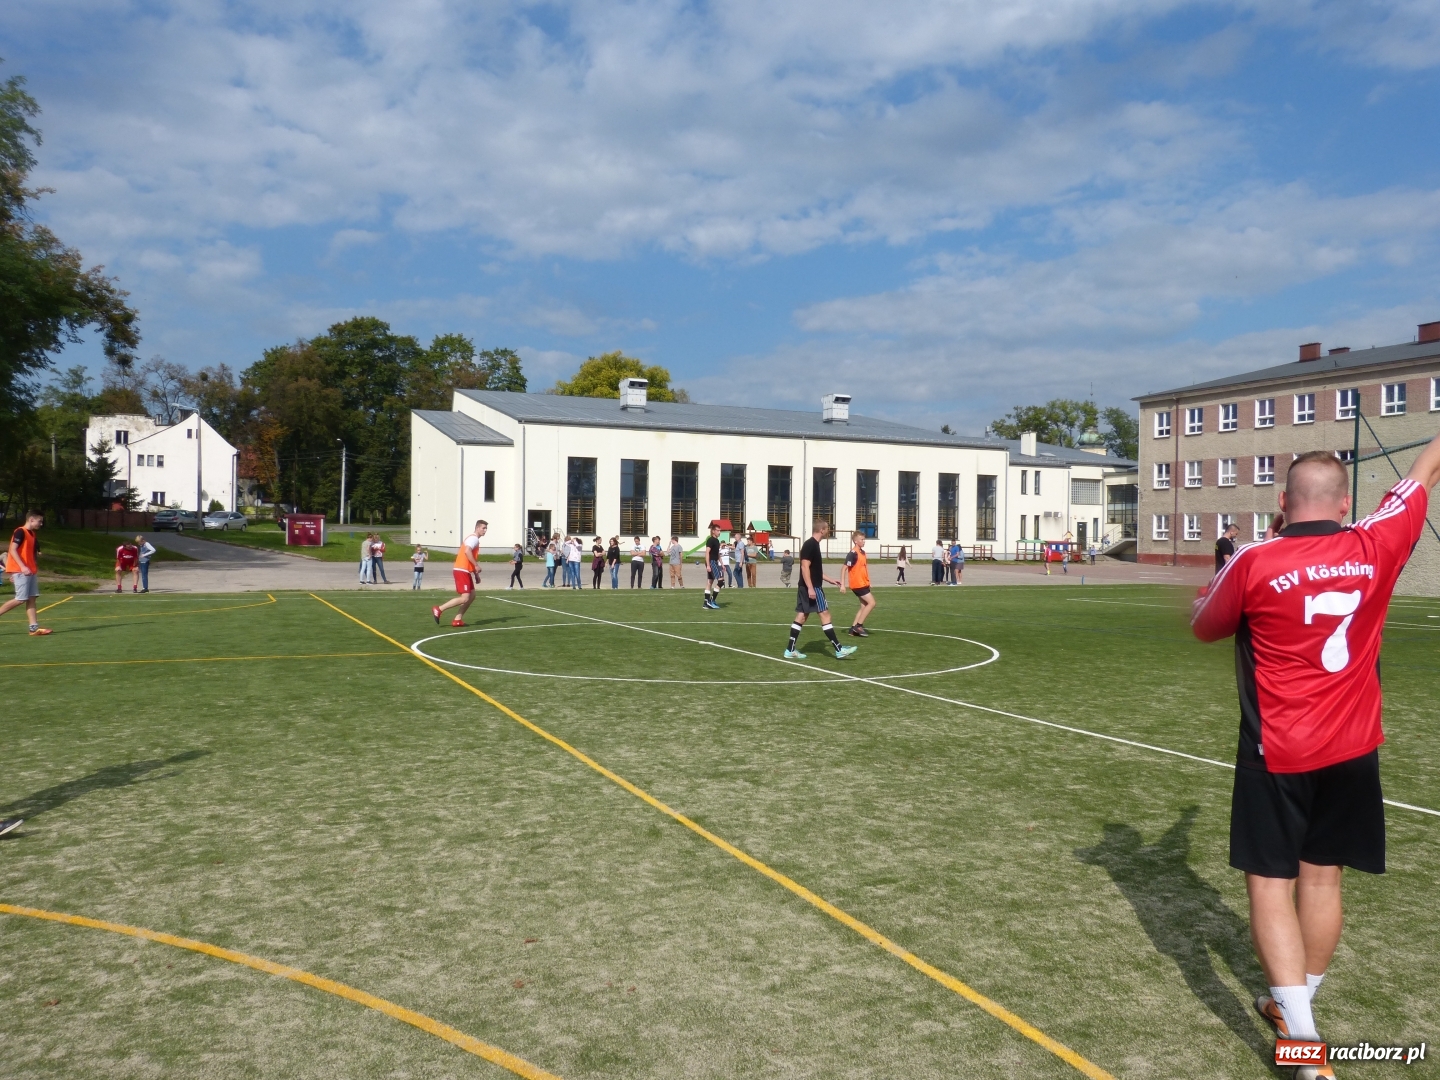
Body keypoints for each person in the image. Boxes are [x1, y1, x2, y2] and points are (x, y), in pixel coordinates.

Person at [1191, 441, 1440, 1079]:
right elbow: (1424, 469)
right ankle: (1296, 1011)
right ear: (1344, 503)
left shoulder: (1253, 561)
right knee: (1323, 879)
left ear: (1281, 504)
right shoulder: (1375, 542)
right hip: (1354, 749)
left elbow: (1205, 626)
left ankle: (1306, 1051)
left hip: (1279, 750)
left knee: (1271, 888)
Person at [785, 518, 857, 661]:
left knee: (801, 616)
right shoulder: (810, 545)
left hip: (807, 587)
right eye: (827, 529)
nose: (828, 531)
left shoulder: (814, 545)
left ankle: (789, 650)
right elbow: (804, 567)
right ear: (822, 530)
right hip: (812, 588)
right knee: (825, 614)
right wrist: (811, 588)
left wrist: (830, 580)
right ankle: (839, 649)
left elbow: (814, 570)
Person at [2, 510, 51, 637]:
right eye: (39, 521)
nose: (41, 524)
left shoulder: (32, 535)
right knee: (20, 599)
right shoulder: (20, 531)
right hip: (22, 571)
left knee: (31, 598)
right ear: (31, 520)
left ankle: (33, 628)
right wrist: (21, 567)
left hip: (30, 572)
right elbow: (12, 550)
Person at [432, 520, 487, 626]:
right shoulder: (474, 538)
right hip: (461, 570)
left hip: (465, 570)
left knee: (472, 595)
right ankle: (439, 609)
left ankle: (458, 619)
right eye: (483, 528)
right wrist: (476, 566)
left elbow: (470, 556)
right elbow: (467, 551)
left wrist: (475, 574)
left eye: (486, 528)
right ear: (477, 528)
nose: (485, 530)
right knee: (465, 597)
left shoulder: (474, 539)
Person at [841, 531, 876, 637]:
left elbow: (864, 569)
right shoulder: (853, 553)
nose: (864, 541)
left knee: (863, 606)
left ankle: (853, 630)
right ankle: (858, 626)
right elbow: (844, 568)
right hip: (857, 584)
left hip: (863, 583)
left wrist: (868, 582)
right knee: (872, 603)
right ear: (856, 541)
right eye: (861, 539)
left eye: (864, 539)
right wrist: (842, 584)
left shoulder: (863, 553)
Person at [702, 523, 722, 610]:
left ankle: (705, 603)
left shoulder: (717, 541)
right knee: (721, 581)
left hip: (715, 562)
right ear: (713, 531)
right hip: (711, 562)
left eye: (720, 530)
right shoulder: (711, 540)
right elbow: (707, 552)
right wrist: (708, 565)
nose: (719, 532)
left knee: (710, 582)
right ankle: (711, 600)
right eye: (718, 530)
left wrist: (722, 563)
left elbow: (717, 554)